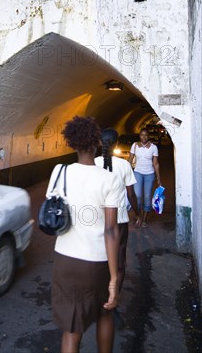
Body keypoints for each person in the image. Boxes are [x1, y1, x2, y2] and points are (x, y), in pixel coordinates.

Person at [47, 116, 123, 353]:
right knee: (106, 314)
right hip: (98, 263)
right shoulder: (110, 180)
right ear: (97, 144)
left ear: (72, 143)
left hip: (65, 259)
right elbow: (111, 230)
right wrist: (113, 278)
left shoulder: (59, 173)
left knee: (71, 330)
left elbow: (53, 206)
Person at [95, 128, 141, 329]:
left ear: (100, 142)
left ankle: (96, 301)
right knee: (119, 263)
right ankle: (111, 305)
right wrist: (137, 213)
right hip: (119, 221)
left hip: (96, 219)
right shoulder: (123, 165)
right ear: (116, 143)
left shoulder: (93, 163)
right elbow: (131, 194)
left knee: (98, 259)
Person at [128, 127, 162, 228]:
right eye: (142, 135)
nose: (144, 137)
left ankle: (145, 218)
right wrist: (127, 173)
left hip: (149, 174)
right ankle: (137, 216)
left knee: (147, 196)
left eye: (146, 135)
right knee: (137, 195)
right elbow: (130, 160)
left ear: (148, 136)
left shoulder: (153, 147)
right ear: (139, 136)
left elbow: (156, 163)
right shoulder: (134, 145)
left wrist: (158, 177)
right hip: (137, 172)